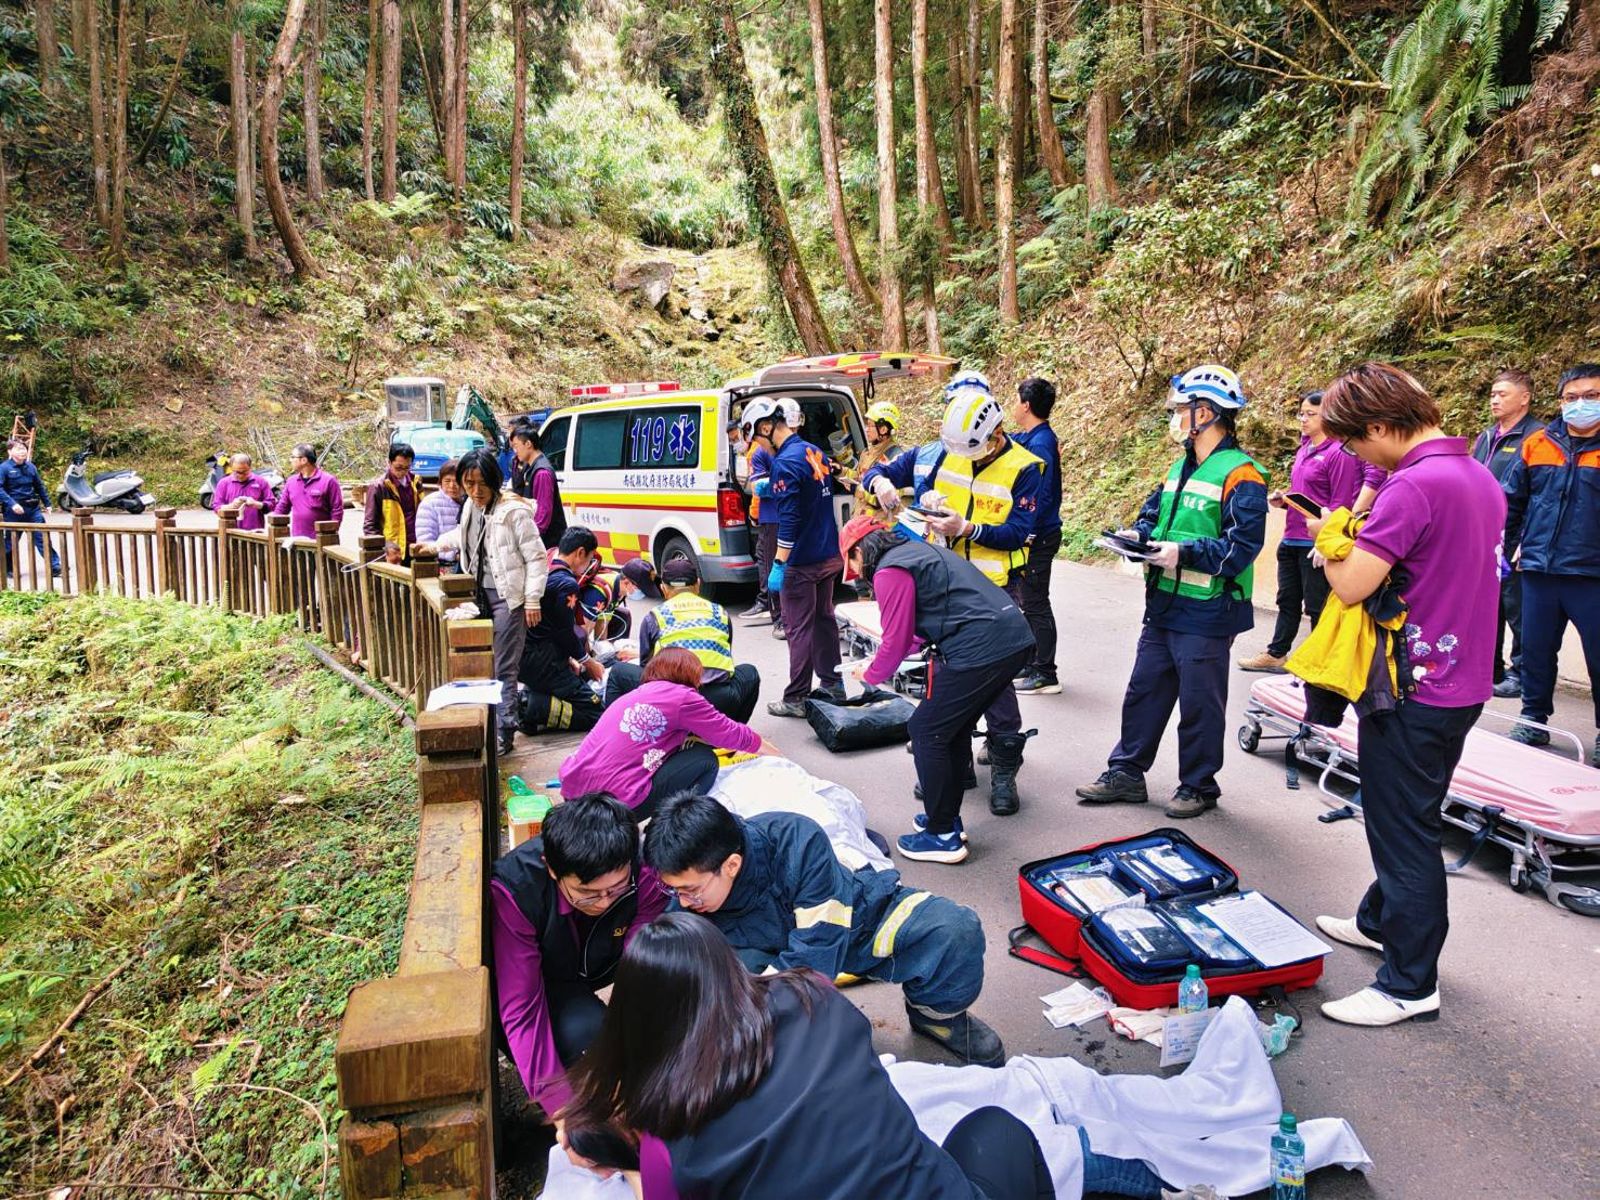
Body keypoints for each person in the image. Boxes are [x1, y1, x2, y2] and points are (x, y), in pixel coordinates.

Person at [557, 913, 1059, 1200]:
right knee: (995, 1127)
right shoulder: (811, 995)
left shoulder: (667, 1136)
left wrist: (632, 1166)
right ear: (729, 969)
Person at [1307, 363, 1504, 1027]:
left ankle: (1409, 984)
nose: (1355, 456)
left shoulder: (1411, 487)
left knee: (1404, 832)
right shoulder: (1479, 474)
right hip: (1463, 682)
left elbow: (1352, 585)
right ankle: (1376, 919)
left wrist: (1326, 538)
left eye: (1357, 443)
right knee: (1409, 813)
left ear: (1386, 427)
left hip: (1413, 689)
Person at [643, 793, 1004, 1066]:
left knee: (955, 929)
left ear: (732, 865)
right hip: (764, 957)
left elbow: (817, 949)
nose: (683, 901)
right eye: (672, 890)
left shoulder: (796, 839)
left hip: (851, 928)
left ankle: (936, 1018)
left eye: (690, 890)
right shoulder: (689, 904)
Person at [1074, 365, 1268, 819]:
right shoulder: (1179, 467)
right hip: (1164, 602)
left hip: (1209, 609)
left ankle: (1198, 785)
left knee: (1201, 701)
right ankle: (1126, 772)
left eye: (1181, 410)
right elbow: (1154, 518)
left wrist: (1183, 553)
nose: (1176, 418)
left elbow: (1241, 548)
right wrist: (1136, 536)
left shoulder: (1244, 475)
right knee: (1145, 689)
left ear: (1206, 412)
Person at [862, 374, 1045, 790]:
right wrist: (888, 484)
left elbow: (1019, 531)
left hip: (995, 583)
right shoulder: (953, 450)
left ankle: (1003, 769)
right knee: (945, 677)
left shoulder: (1025, 468)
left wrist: (968, 528)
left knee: (994, 681)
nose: (969, 459)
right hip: (945, 584)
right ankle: (952, 763)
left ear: (996, 433)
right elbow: (888, 474)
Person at [839, 518, 1034, 860]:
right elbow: (920, 627)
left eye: (851, 563)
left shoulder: (889, 571)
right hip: (1011, 638)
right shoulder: (919, 551)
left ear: (858, 552)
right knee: (950, 728)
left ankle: (942, 835)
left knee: (926, 730)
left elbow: (895, 640)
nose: (856, 573)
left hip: (980, 648)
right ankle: (945, 820)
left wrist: (870, 673)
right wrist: (882, 661)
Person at [492, 793, 669, 1111]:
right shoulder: (516, 892)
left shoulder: (644, 868)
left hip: (596, 962)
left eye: (615, 888)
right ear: (551, 869)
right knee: (586, 1036)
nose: (603, 902)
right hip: (544, 984)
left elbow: (640, 961)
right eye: (586, 894)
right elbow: (523, 1009)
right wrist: (560, 1112)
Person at [1238, 390, 1384, 672]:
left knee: (1316, 605)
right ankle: (1277, 653)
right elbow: (1308, 494)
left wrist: (1327, 540)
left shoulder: (1338, 453)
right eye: (1301, 413)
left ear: (1326, 416)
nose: (1303, 419)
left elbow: (1340, 501)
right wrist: (1286, 501)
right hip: (1292, 535)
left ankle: (1319, 660)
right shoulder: (1304, 449)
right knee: (1287, 600)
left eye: (1310, 414)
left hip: (1314, 541)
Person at [416, 448, 546, 757]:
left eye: (481, 484)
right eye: (468, 483)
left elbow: (537, 558)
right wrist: (434, 546)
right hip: (479, 595)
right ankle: (484, 724)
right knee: (477, 662)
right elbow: (464, 536)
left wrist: (532, 601)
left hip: (508, 599)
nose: (475, 491)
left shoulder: (513, 511)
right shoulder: (472, 507)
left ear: (494, 480)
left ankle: (505, 731)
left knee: (504, 667)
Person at [1501, 361, 1600, 766]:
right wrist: (1508, 550)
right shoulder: (1537, 443)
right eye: (1572, 398)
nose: (1580, 404)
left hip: (1591, 574)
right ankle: (1533, 719)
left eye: (1591, 397)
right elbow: (1512, 502)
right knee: (1537, 650)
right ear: (1560, 402)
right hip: (1539, 569)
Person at [558, 649, 779, 820]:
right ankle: (675, 825)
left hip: (573, 795)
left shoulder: (636, 694)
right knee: (705, 759)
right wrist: (773, 753)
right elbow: (729, 733)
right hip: (615, 806)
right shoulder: (682, 697)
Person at [742, 397, 845, 716]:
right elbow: (810, 493)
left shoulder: (785, 461)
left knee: (798, 626)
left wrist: (778, 563)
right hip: (828, 552)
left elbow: (789, 519)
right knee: (824, 620)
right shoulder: (812, 450)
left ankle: (796, 697)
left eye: (758, 439)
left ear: (766, 427)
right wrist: (773, 487)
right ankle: (833, 684)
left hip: (800, 560)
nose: (760, 447)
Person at [608, 555, 761, 723]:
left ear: (664, 589)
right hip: (717, 699)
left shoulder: (655, 616)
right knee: (750, 673)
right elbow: (725, 657)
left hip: (670, 701)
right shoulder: (720, 613)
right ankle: (728, 733)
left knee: (617, 672)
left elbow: (647, 668)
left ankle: (615, 732)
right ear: (697, 585)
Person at [1470, 369, 1542, 698]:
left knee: (1518, 609)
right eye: (1492, 394)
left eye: (1503, 394)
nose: (1495, 399)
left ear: (1524, 398)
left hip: (1515, 537)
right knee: (1487, 606)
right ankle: (1488, 668)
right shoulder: (1486, 437)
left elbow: (1541, 493)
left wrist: (1527, 536)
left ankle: (1521, 673)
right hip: (1483, 535)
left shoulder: (1538, 437)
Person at [519, 526, 607, 735]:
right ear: (580, 553)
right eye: (589, 559)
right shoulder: (567, 584)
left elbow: (550, 625)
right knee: (597, 714)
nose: (588, 565)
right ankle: (534, 707)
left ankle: (533, 705)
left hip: (530, 657)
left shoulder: (544, 569)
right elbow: (564, 631)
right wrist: (588, 661)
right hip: (545, 662)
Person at [1009, 378, 1064, 695]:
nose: (1014, 405)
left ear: (1026, 405)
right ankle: (1032, 664)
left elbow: (1041, 495)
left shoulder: (1042, 443)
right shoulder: (1035, 437)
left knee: (1036, 601)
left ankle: (1046, 671)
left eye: (1017, 400)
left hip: (1039, 535)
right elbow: (1014, 442)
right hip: (1037, 532)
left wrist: (1027, 531)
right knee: (1028, 601)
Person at [740, 410, 783, 634]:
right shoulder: (792, 449)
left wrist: (754, 514)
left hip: (772, 518)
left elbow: (757, 489)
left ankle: (776, 615)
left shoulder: (758, 453)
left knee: (770, 563)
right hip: (786, 515)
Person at [0, 438, 61, 577]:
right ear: (10, 451)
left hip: (32, 509)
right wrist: (12, 504)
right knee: (11, 541)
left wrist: (48, 503)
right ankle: (7, 568)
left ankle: (54, 566)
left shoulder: (31, 467)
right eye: (18, 449)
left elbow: (39, 486)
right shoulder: (4, 468)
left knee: (42, 537)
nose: (22, 451)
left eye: (24, 448)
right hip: (14, 510)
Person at [510, 423, 568, 544]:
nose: (515, 451)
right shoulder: (530, 467)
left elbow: (542, 516)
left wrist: (531, 541)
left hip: (548, 542)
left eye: (516, 446)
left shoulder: (542, 473)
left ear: (528, 444)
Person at [274, 443, 345, 539]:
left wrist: (331, 533)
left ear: (304, 460)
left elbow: (337, 510)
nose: (290, 460)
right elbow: (282, 508)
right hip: (297, 541)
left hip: (322, 540)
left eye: (293, 457)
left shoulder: (328, 481)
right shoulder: (291, 481)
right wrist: (273, 522)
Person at [362, 442, 419, 559]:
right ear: (389, 463)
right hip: (393, 550)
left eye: (407, 468)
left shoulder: (416, 483)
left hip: (415, 545)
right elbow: (370, 525)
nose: (403, 472)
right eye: (398, 468)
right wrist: (383, 547)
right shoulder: (379, 487)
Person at [415, 458, 465, 570]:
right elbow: (425, 542)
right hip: (441, 566)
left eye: (457, 481)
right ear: (440, 482)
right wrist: (453, 555)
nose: (452, 486)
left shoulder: (471, 502)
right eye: (447, 481)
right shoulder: (430, 503)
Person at [211, 452, 276, 533]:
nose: (241, 475)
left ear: (250, 468)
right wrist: (231, 506)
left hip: (255, 532)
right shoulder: (224, 483)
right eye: (237, 472)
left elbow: (272, 504)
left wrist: (256, 504)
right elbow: (216, 507)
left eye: (244, 472)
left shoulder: (261, 482)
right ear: (231, 468)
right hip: (230, 532)